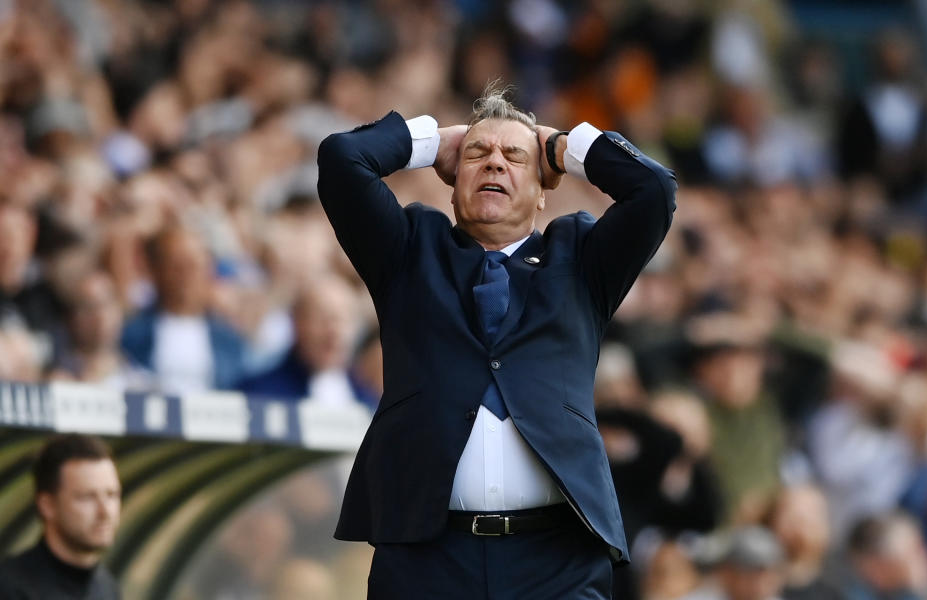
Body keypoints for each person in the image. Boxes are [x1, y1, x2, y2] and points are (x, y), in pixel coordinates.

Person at [317, 84, 677, 598]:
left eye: (515, 157)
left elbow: (655, 189)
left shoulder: (582, 259)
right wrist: (432, 140)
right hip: (427, 558)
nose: (494, 164)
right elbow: (341, 159)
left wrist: (561, 146)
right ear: (450, 177)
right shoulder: (408, 251)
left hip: (558, 563)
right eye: (477, 155)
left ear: (542, 188)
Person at [121, 226, 247, 394]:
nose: (186, 276)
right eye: (176, 266)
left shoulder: (229, 340)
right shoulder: (131, 333)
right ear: (155, 271)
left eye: (193, 265)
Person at [0, 434, 122, 600]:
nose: (105, 512)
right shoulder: (10, 587)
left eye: (111, 494)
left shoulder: (107, 586)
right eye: (87, 497)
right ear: (47, 505)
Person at [240, 274, 379, 410]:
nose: (335, 331)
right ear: (297, 323)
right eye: (324, 319)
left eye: (344, 320)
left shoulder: (369, 400)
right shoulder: (260, 394)